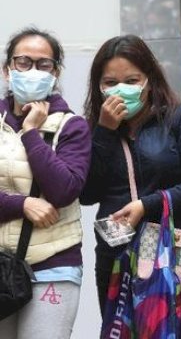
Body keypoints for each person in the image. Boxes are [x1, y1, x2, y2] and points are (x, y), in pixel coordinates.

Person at [80, 35, 181, 338]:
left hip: (170, 253)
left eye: (132, 79)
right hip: (115, 254)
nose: (121, 89)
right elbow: (87, 193)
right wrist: (105, 132)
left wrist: (149, 204)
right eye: (110, 82)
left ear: (149, 79)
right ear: (98, 86)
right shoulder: (94, 128)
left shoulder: (180, 118)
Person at [0, 28, 91, 338]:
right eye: (23, 62)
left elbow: (64, 189)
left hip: (52, 263)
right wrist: (22, 203)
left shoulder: (72, 126)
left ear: (56, 73)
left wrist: (30, 134)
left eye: (43, 64)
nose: (33, 71)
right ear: (7, 70)